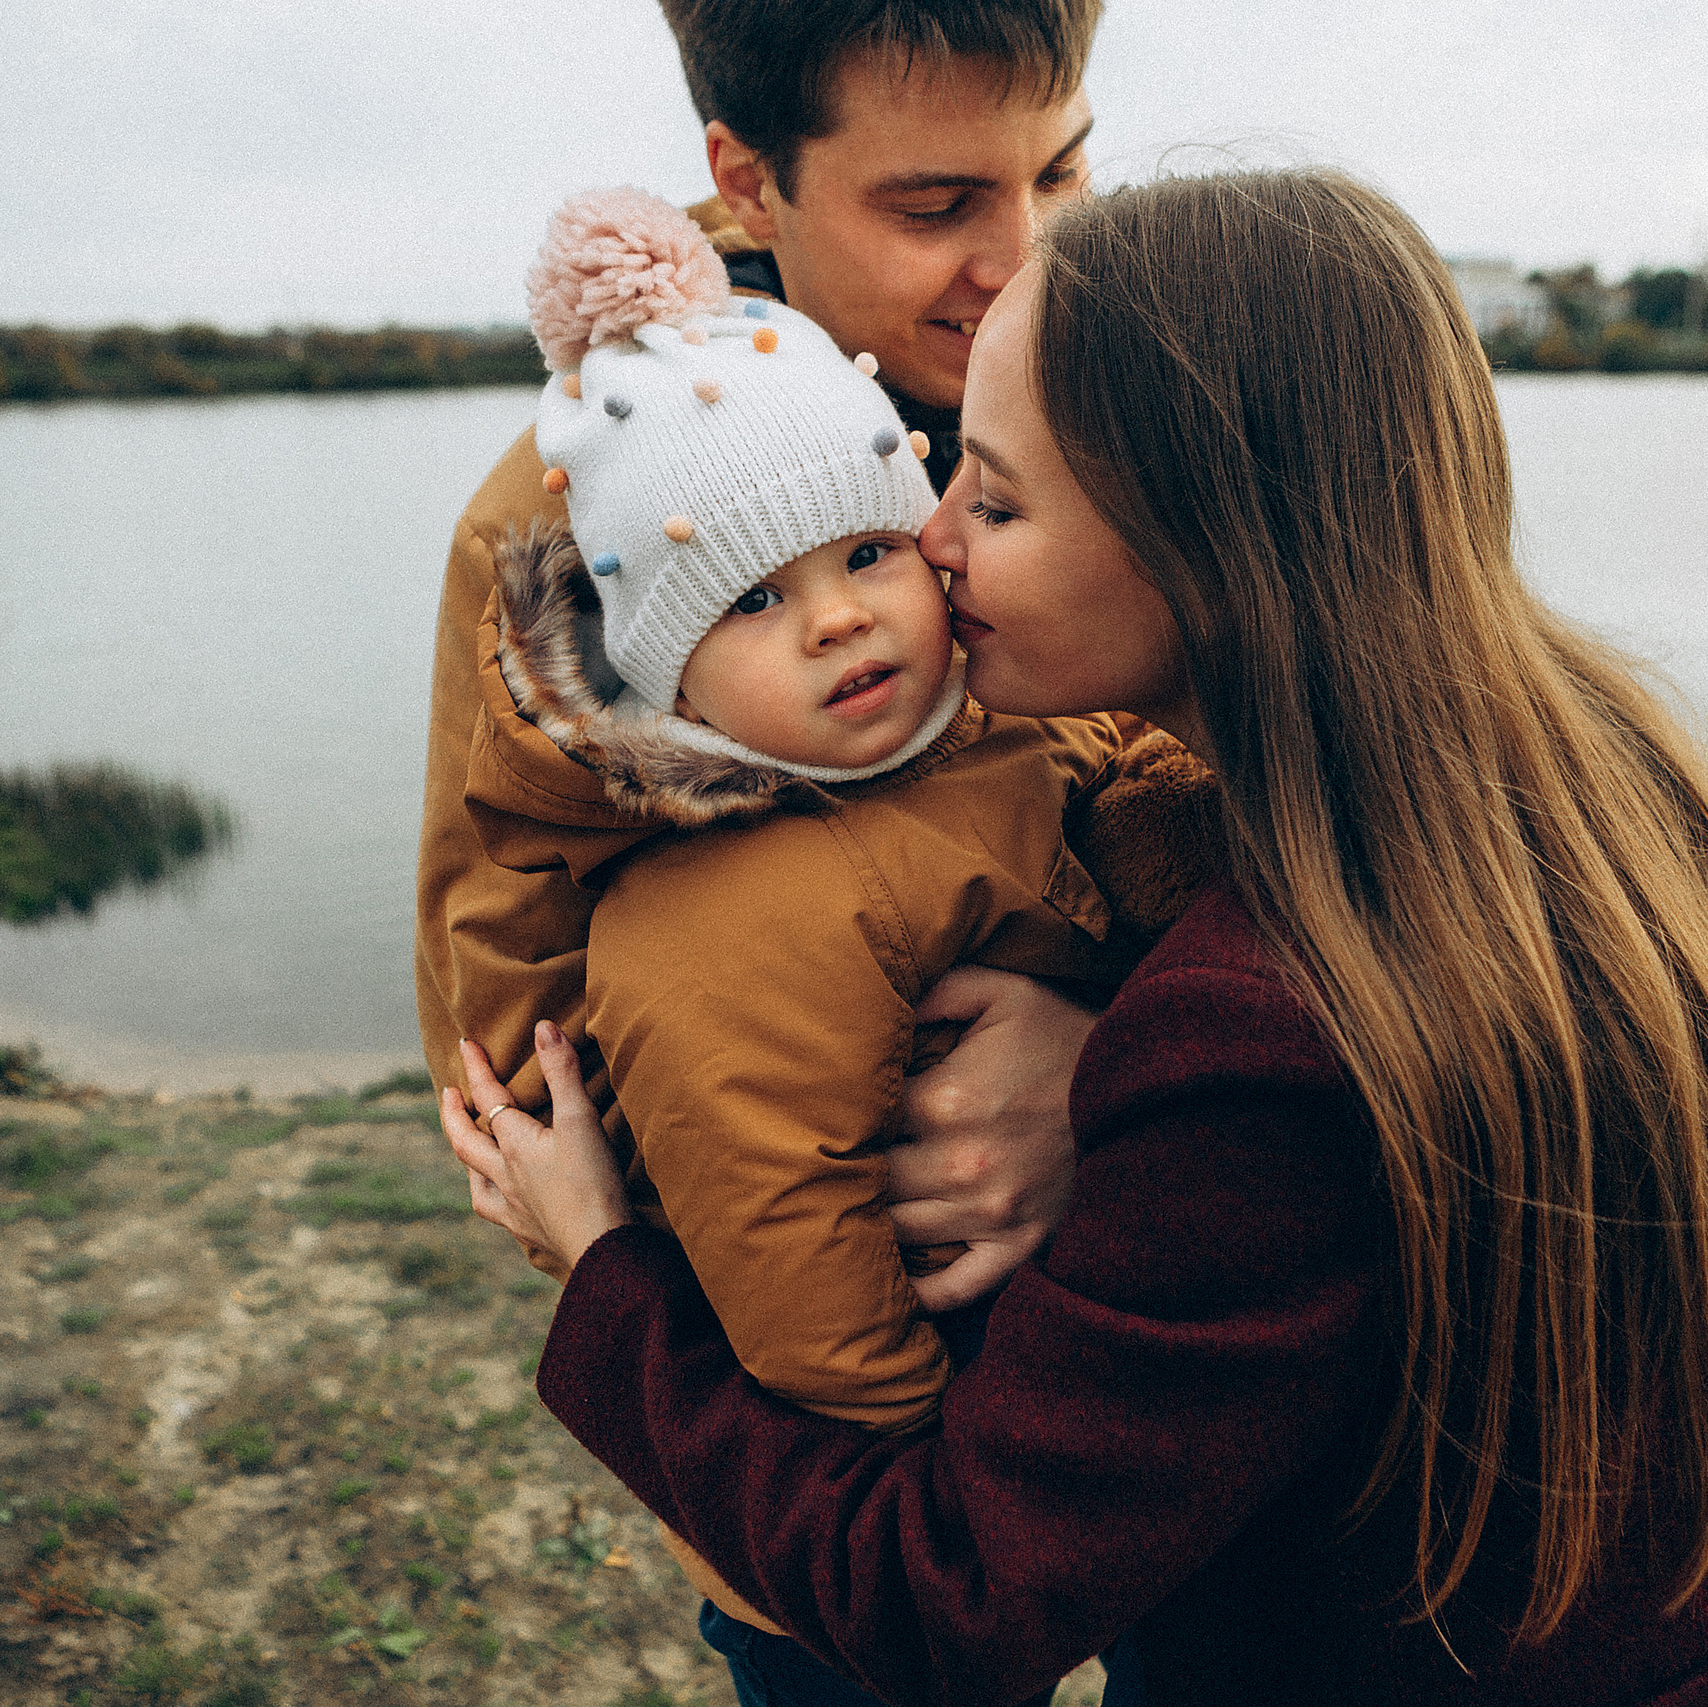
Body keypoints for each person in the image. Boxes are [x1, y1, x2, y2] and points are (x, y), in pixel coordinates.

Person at [443, 168, 1708, 1706]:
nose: (930, 541)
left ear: (1204, 540)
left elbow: (954, 1604)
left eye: (992, 500)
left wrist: (608, 1272)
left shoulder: (1250, 1042)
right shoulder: (1599, 771)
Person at [481, 183, 1211, 1675]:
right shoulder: (718, 921)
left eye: (867, 554)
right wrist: (908, 1453)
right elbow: (781, 1231)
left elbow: (1147, 820)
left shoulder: (1004, 726)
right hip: (873, 1502)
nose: (837, 620)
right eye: (754, 596)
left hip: (1075, 1407)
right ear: (671, 687)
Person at [413, 0, 1109, 1315]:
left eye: (1062, 170)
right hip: (847, 1386)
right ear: (749, 182)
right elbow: (521, 1082)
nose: (1025, 260)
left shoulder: (1130, 372)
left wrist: (1119, 1065)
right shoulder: (562, 531)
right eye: (933, 204)